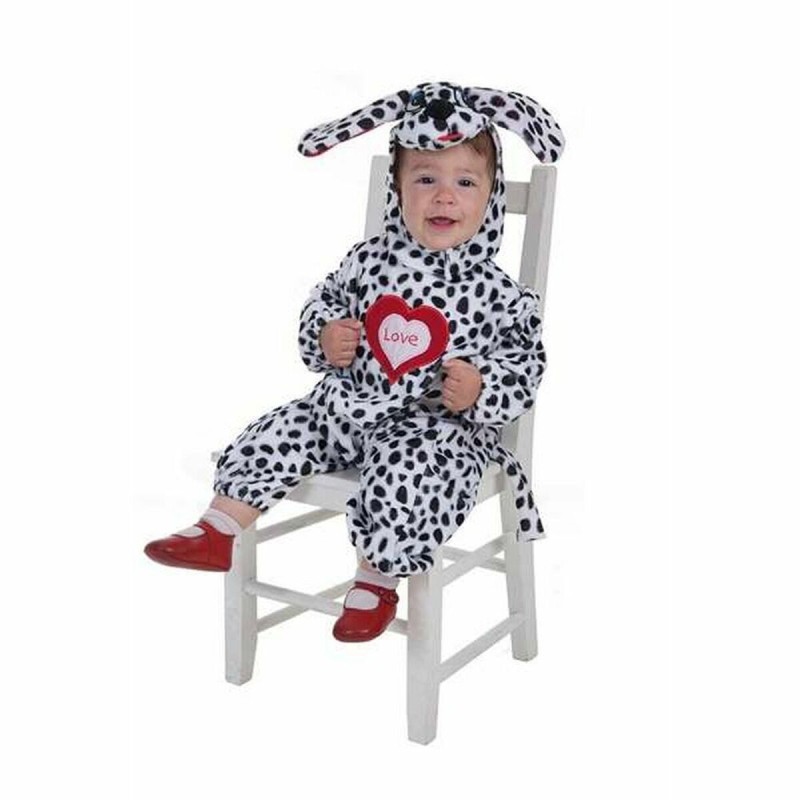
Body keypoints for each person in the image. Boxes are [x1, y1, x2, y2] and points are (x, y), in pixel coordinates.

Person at [144, 81, 565, 643]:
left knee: (408, 475)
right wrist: (325, 336)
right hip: (344, 407)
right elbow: (324, 302)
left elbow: (525, 366)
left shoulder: (501, 295)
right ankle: (218, 528)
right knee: (280, 429)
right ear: (397, 190)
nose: (445, 197)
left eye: (465, 182)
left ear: (489, 197)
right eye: (425, 180)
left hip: (434, 429)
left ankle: (375, 582)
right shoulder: (367, 262)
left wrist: (482, 386)